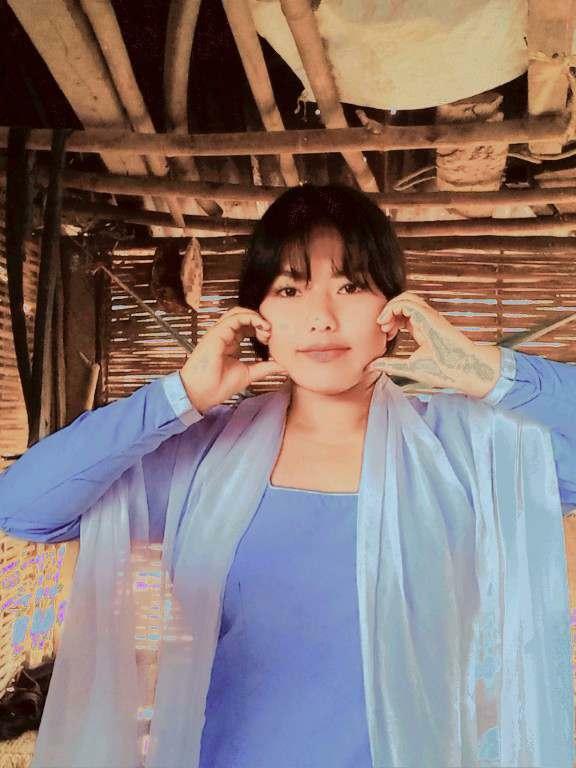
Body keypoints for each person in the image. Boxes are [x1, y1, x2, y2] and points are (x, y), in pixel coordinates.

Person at [1, 183, 575, 767]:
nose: (321, 318)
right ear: (257, 319)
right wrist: (180, 395)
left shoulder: (466, 450)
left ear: (395, 313)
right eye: (290, 290)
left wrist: (487, 371)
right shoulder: (202, 453)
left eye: (350, 287)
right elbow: (22, 507)